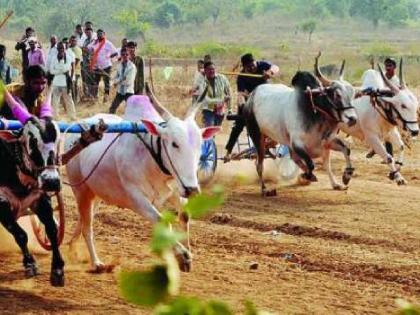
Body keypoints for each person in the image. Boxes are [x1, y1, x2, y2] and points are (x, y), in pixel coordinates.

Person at [223, 53, 279, 162]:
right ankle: (228, 152)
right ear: (244, 67)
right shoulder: (242, 77)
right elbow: (240, 94)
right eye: (249, 67)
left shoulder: (262, 65)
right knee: (238, 126)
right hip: (249, 102)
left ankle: (271, 141)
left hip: (266, 101)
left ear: (255, 62)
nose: (252, 68)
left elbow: (275, 67)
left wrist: (270, 72)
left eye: (253, 65)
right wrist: (242, 105)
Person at [366, 57, 399, 159]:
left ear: (394, 67)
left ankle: (379, 150)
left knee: (386, 133)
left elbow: (391, 93)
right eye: (386, 65)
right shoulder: (382, 76)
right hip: (379, 105)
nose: (388, 67)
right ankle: (377, 149)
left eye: (390, 65)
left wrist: (379, 91)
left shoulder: (395, 80)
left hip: (389, 108)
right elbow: (375, 81)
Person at [88, 29, 118, 103]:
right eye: (98, 34)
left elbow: (115, 52)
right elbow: (89, 48)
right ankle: (95, 98)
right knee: (95, 82)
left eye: (101, 34)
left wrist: (108, 57)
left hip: (106, 66)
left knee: (106, 83)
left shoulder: (108, 43)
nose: (99, 35)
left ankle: (106, 98)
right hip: (97, 66)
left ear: (104, 34)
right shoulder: (94, 43)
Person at [198, 61, 231, 127]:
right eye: (209, 69)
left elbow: (229, 93)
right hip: (208, 109)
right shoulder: (201, 82)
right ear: (205, 70)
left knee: (215, 130)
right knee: (209, 129)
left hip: (220, 110)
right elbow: (207, 100)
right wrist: (221, 100)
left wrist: (230, 109)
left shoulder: (222, 78)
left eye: (213, 69)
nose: (211, 71)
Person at [49, 42, 76, 120]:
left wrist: (57, 69)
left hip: (65, 82)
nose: (61, 50)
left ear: (65, 49)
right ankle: (55, 117)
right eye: (60, 48)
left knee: (69, 100)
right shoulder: (54, 58)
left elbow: (66, 69)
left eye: (62, 48)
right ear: (57, 49)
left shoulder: (68, 57)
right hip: (56, 82)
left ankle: (72, 116)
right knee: (55, 101)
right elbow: (51, 71)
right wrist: (60, 71)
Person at [109, 47, 136, 114]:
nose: (125, 56)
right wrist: (121, 79)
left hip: (128, 91)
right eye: (123, 54)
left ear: (129, 55)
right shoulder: (119, 66)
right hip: (120, 91)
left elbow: (128, 81)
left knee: (132, 110)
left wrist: (118, 81)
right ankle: (111, 122)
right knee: (112, 108)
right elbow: (115, 78)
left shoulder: (132, 67)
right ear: (121, 55)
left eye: (126, 54)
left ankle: (135, 123)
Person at [81, 26, 95, 100]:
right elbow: (83, 50)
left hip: (92, 63)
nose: (88, 33)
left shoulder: (94, 41)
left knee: (93, 79)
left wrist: (86, 51)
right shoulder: (85, 41)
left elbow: (93, 51)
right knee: (87, 80)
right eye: (87, 32)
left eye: (90, 32)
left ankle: (94, 96)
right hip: (85, 63)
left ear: (92, 32)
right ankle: (89, 95)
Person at [69, 35, 83, 103]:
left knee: (74, 85)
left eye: (74, 41)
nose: (72, 42)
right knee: (69, 86)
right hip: (68, 70)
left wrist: (72, 68)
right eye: (71, 40)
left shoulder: (78, 49)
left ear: (76, 42)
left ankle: (75, 101)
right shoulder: (68, 49)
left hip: (76, 71)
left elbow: (77, 60)